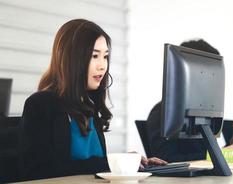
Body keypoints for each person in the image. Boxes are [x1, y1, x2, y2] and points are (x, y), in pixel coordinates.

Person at [19, 19, 166, 181]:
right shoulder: (40, 104)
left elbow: (93, 168)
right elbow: (42, 171)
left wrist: (127, 164)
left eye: (105, 57)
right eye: (95, 56)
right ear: (71, 58)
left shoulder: (90, 105)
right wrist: (113, 164)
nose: (102, 65)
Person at [146, 39, 233, 163]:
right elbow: (166, 161)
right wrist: (225, 153)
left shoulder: (202, 112)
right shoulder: (162, 112)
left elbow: (205, 156)